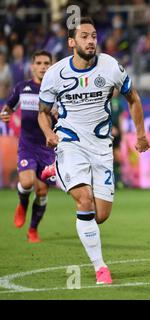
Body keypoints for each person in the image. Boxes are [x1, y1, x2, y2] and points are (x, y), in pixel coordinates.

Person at [37, 17, 150, 285]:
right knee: (84, 202)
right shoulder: (55, 73)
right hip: (70, 142)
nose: (91, 41)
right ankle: (101, 269)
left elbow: (132, 97)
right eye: (85, 36)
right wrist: (49, 133)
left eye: (94, 36)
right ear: (71, 42)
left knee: (100, 215)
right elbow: (42, 113)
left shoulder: (111, 66)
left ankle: (56, 173)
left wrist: (141, 133)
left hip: (100, 147)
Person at [0, 50, 54, 243]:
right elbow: (8, 108)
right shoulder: (23, 88)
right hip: (28, 146)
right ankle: (22, 204)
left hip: (48, 149)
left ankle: (33, 229)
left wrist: (57, 114)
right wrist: (4, 114)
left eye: (46, 63)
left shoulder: (56, 91)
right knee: (28, 182)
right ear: (32, 66)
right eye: (38, 63)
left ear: (51, 65)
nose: (42, 67)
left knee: (42, 192)